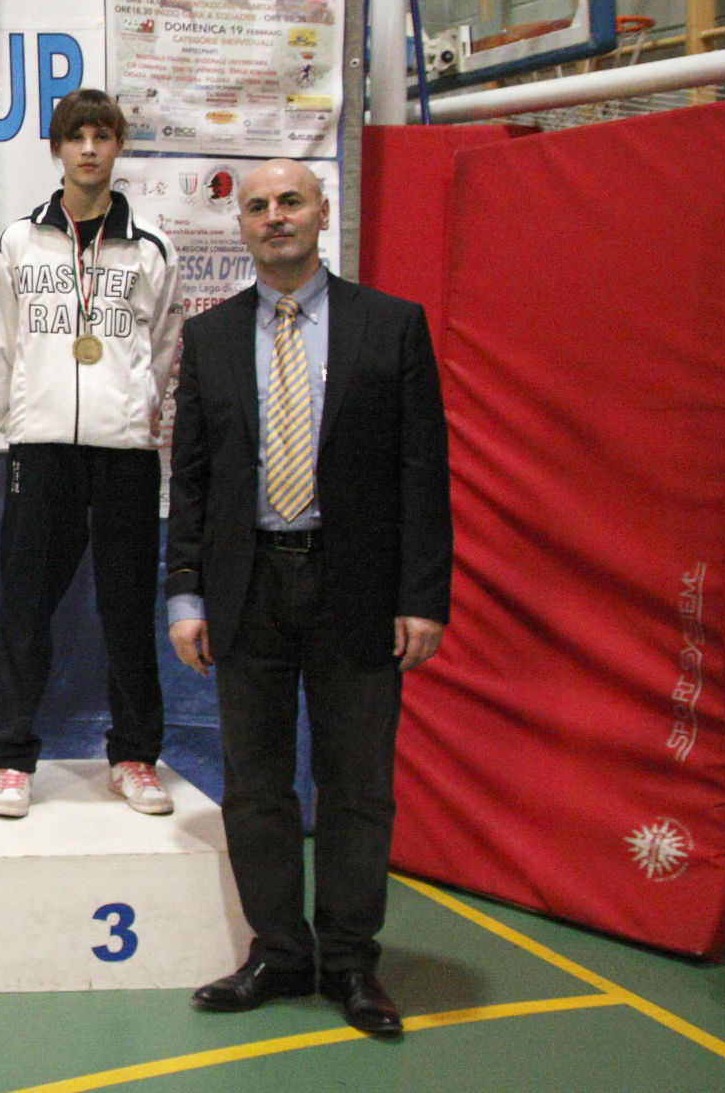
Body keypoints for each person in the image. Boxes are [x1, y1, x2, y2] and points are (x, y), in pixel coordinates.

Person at [165, 159, 451, 1039]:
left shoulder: (391, 326)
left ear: (323, 213)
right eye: (257, 206)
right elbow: (194, 479)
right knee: (255, 784)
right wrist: (184, 594)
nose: (274, 216)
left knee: (357, 786)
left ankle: (351, 960)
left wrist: (422, 596)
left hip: (356, 586)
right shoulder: (210, 337)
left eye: (290, 201)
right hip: (246, 585)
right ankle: (280, 951)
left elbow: (423, 471)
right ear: (242, 227)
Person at [0, 89, 182, 819]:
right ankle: (12, 760)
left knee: (127, 608)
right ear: (57, 148)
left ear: (119, 147)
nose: (89, 150)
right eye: (76, 137)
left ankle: (134, 756)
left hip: (124, 453)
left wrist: (133, 414)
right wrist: (21, 422)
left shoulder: (151, 247)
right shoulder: (18, 242)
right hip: (40, 451)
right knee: (25, 608)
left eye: (102, 136)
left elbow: (162, 347)